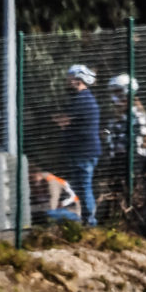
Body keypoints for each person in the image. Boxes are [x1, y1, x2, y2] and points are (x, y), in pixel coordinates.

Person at [53, 64, 100, 226]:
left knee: (84, 186)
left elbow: (65, 120)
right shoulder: (81, 99)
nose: (67, 81)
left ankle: (90, 222)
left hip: (83, 152)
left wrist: (53, 119)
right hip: (81, 151)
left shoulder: (83, 99)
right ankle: (87, 220)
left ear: (78, 80)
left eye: (70, 78)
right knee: (80, 187)